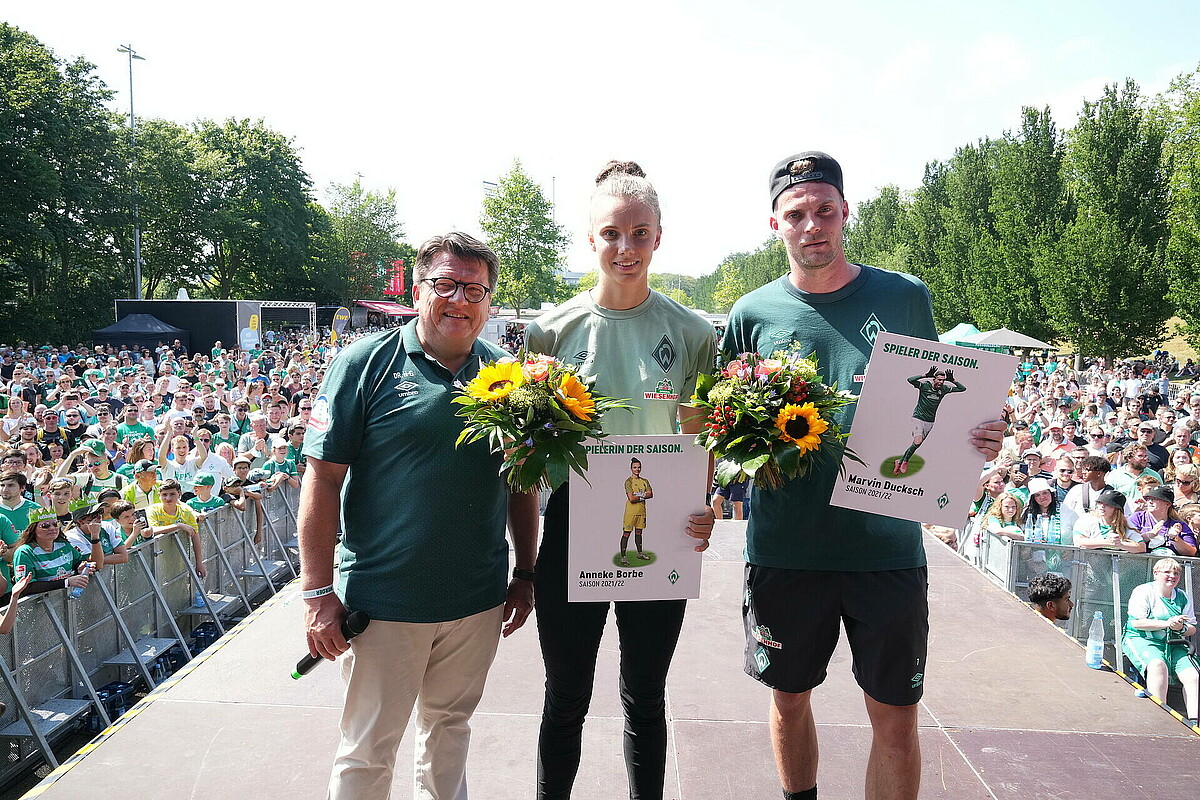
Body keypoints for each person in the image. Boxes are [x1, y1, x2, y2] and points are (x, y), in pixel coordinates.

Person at [723, 152, 1004, 800]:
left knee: (897, 722)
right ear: (775, 224)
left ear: (846, 213)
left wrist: (980, 434)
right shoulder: (751, 314)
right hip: (787, 548)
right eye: (797, 214)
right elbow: (724, 425)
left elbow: (950, 400)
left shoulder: (903, 297)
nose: (812, 225)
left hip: (885, 551)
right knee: (789, 702)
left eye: (825, 210)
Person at [299, 232, 539, 800]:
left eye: (476, 290)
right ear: (418, 287)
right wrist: (316, 592)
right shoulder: (363, 365)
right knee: (367, 751)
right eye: (447, 284)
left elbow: (521, 484)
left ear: (490, 301)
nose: (460, 300)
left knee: (449, 737)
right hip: (384, 604)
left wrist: (525, 573)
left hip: (475, 603)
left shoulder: (511, 377)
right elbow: (322, 478)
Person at [524, 161, 717, 800]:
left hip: (659, 527)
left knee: (646, 696)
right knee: (567, 694)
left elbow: (698, 429)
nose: (626, 247)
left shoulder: (692, 332)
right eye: (612, 233)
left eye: (639, 233)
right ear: (591, 239)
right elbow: (533, 441)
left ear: (659, 236)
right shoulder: (551, 330)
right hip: (573, 526)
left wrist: (703, 499)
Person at [1123, 558, 1199, 726]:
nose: (1172, 576)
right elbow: (1137, 623)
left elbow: (1192, 628)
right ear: (1156, 574)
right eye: (1167, 572)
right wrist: (1167, 623)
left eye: (1176, 573)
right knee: (1158, 665)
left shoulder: (1183, 597)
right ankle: (1159, 719)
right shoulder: (1143, 591)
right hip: (1142, 639)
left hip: (1174, 642)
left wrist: (1180, 628)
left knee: (1193, 675)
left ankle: (1195, 722)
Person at [892, 367, 966, 475]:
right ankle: (905, 461)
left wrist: (953, 380)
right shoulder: (925, 385)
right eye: (939, 379)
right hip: (918, 418)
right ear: (934, 379)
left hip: (930, 422)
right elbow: (910, 380)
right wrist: (925, 375)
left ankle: (899, 461)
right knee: (918, 441)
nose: (941, 382)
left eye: (943, 380)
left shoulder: (944, 389)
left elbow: (962, 389)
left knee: (916, 444)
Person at [620, 457, 653, 565]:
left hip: (641, 511)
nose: (637, 469)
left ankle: (640, 553)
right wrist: (643, 495)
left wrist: (638, 495)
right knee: (626, 533)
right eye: (635, 467)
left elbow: (651, 494)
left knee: (639, 532)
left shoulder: (645, 481)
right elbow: (631, 498)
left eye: (639, 467)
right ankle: (623, 557)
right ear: (631, 468)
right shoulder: (628, 481)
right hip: (631, 512)